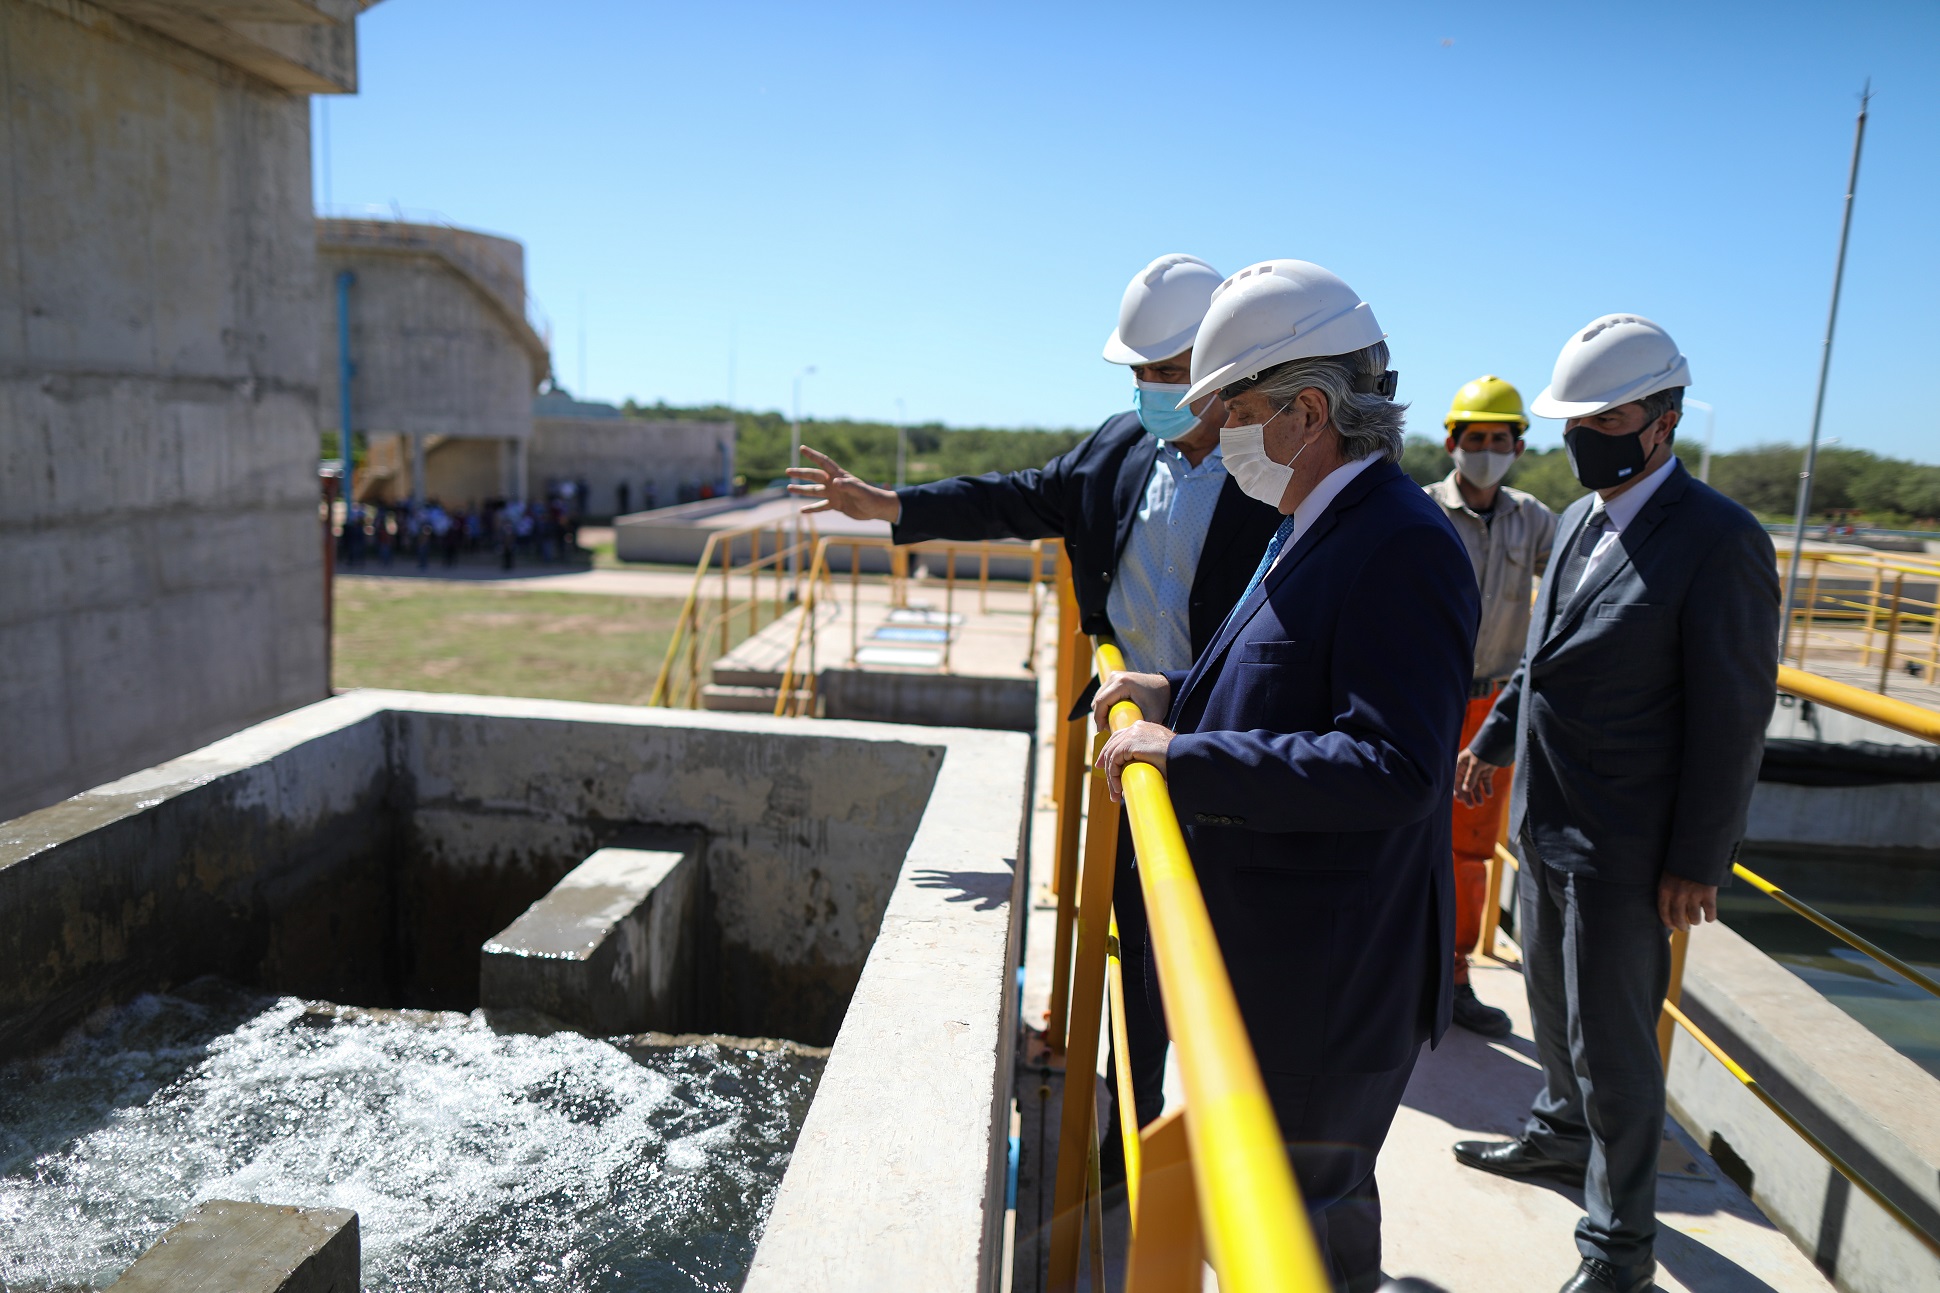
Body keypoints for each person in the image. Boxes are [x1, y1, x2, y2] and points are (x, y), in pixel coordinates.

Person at [785, 252, 1284, 1170]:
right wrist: (887, 503)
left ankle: (1218, 1133)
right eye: (1140, 375)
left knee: (1224, 954)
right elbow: (1016, 495)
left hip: (1235, 744)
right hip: (1135, 746)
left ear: (1224, 370)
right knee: (1140, 941)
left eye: (1169, 374)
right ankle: (1133, 1144)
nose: (1151, 392)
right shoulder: (1119, 450)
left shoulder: (1277, 478)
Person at [1093, 260, 1477, 1291]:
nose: (1210, 433)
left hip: (1327, 981)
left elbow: (1393, 767)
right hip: (1281, 957)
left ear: (1307, 412)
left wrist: (1186, 758)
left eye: (1231, 411)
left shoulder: (1400, 545)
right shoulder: (1313, 522)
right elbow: (1289, 686)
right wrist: (1177, 692)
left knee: (1301, 1238)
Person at [1450, 315, 1780, 1293]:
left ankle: (1617, 1253)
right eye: (1575, 416)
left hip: (1627, 848)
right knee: (1549, 1008)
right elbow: (1542, 659)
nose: (1582, 432)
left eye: (1607, 414)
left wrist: (1696, 862)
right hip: (1543, 821)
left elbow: (1731, 718)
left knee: (1613, 1049)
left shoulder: (1718, 542)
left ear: (1662, 420)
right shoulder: (1583, 520)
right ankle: (1557, 1139)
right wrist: (1489, 740)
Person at [1425, 376, 1558, 1037]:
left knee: (1471, 851)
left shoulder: (1533, 520)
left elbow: (1574, 589)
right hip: (1422, 702)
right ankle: (1401, 972)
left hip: (1492, 711)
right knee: (1403, 836)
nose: (1485, 449)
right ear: (1451, 442)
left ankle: (1453, 978)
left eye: (1499, 439)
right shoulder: (1420, 510)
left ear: (1518, 447)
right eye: (1474, 438)